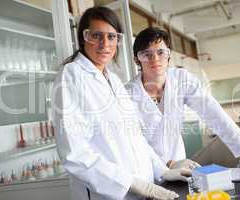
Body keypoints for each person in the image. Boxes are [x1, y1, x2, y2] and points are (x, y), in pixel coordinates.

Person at [52, 7, 194, 200]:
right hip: (107, 194)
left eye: (111, 37)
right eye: (96, 35)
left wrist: (162, 171)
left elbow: (135, 137)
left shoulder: (114, 80)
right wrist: (131, 183)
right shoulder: (71, 75)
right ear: (83, 37)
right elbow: (75, 153)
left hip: (140, 190)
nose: (105, 44)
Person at [125, 27, 240, 170]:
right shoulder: (127, 94)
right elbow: (134, 142)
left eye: (161, 52)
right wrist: (167, 164)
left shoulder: (181, 79)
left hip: (180, 165)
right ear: (137, 60)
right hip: (150, 169)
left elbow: (214, 113)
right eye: (147, 54)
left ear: (169, 54)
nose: (155, 59)